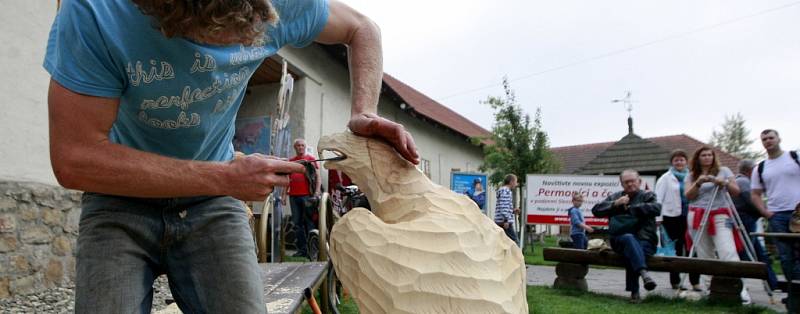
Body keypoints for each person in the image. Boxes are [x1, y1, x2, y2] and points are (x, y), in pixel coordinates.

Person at [44, 0, 419, 312]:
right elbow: (75, 159)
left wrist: (364, 112)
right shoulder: (97, 12)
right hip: (119, 198)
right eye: (213, 40)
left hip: (211, 205)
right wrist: (224, 178)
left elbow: (362, 29)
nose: (225, 56)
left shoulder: (280, 3)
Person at [685, 146, 750, 303]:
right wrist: (698, 183)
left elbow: (736, 191)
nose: (707, 158)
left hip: (720, 214)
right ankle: (710, 290)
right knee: (704, 253)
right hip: (697, 214)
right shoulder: (692, 174)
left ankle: (739, 290)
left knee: (728, 251)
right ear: (698, 158)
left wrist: (725, 183)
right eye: (703, 155)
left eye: (710, 155)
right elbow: (688, 196)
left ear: (714, 157)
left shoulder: (724, 170)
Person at [592, 169, 660, 303]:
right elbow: (596, 210)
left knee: (632, 249)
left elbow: (656, 209)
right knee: (629, 239)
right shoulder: (615, 197)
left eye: (632, 181)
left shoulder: (648, 195)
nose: (630, 184)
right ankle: (644, 274)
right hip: (620, 241)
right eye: (626, 182)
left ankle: (635, 292)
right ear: (622, 184)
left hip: (645, 241)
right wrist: (615, 204)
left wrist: (630, 209)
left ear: (639, 181)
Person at [751, 129, 800, 285]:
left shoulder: (794, 157)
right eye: (764, 139)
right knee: (785, 256)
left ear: (779, 139)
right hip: (776, 215)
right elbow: (755, 194)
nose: (768, 141)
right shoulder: (761, 167)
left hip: (798, 212)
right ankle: (794, 293)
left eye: (771, 137)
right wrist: (765, 213)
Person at [654, 149, 700, 290]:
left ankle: (695, 282)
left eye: (682, 159)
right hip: (671, 218)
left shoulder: (693, 177)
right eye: (676, 160)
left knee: (694, 248)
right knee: (675, 249)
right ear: (672, 162)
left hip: (691, 215)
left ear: (686, 162)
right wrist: (658, 217)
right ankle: (676, 281)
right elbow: (658, 198)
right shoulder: (665, 178)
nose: (679, 162)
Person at [734, 159, 779, 289]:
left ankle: (772, 283)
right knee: (745, 253)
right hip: (745, 220)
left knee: (760, 254)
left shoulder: (741, 181)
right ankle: (737, 284)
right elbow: (752, 201)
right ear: (750, 171)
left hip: (747, 220)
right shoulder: (743, 182)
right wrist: (765, 212)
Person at [285, 138, 321, 258]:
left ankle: (313, 250)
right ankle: (302, 250)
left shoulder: (310, 159)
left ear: (305, 147)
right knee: (297, 224)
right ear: (295, 148)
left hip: (307, 196)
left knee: (309, 222)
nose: (300, 147)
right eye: (298, 146)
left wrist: (316, 192)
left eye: (302, 145)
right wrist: (284, 195)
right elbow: (286, 180)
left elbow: (318, 177)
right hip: (293, 196)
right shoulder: (291, 161)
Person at [495, 174, 521, 244]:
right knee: (515, 243)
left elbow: (504, 205)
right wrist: (506, 220)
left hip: (501, 220)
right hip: (504, 222)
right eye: (516, 182)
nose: (516, 184)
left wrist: (512, 211)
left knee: (503, 243)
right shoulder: (506, 191)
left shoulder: (503, 190)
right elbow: (503, 206)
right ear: (511, 182)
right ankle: (517, 255)